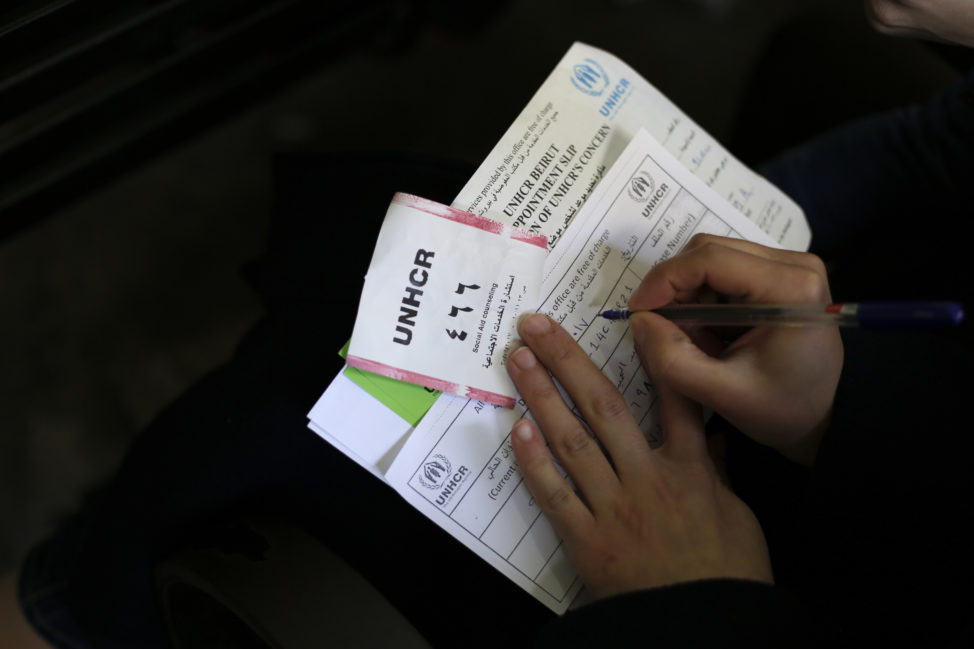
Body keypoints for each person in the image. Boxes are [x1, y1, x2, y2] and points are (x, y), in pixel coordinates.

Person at [3, 4, 973, 648]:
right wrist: (835, 411)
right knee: (352, 323)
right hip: (822, 403)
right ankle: (74, 591)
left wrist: (702, 605)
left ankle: (69, 605)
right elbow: (930, 146)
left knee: (300, 428)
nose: (894, 13)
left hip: (737, 592)